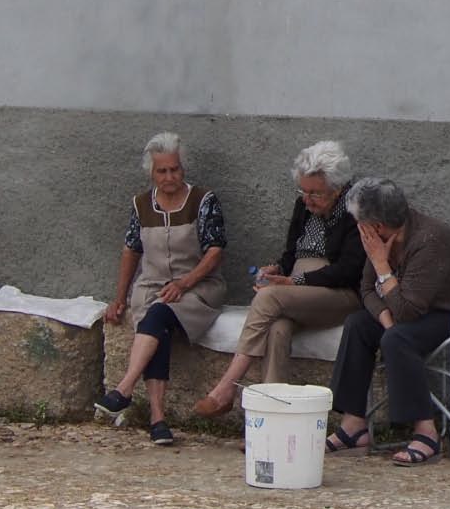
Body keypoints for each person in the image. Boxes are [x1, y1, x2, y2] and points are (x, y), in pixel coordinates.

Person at [325, 178, 450, 466]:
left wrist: (382, 266)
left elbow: (407, 312)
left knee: (399, 338)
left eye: (359, 222)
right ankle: (353, 425)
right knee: (358, 324)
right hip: (414, 310)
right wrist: (385, 319)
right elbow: (367, 290)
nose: (356, 228)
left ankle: (426, 433)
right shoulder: (381, 239)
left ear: (377, 226)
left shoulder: (429, 241)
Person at [193, 140, 362, 417]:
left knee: (268, 296)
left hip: (339, 293)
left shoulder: (355, 209)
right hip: (299, 292)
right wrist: (276, 270)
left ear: (338, 188)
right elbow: (291, 254)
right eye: (303, 191)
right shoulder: (304, 206)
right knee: (278, 328)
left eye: (315, 194)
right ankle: (271, 418)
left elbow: (349, 270)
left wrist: (295, 282)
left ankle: (226, 388)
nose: (307, 200)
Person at [95, 132, 226, 446]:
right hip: (153, 286)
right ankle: (158, 420)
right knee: (157, 322)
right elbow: (131, 250)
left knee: (158, 315)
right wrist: (120, 298)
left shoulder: (203, 201)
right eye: (162, 171)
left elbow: (215, 250)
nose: (170, 177)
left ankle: (124, 390)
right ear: (151, 173)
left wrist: (185, 282)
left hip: (198, 288)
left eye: (175, 169)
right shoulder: (141, 204)